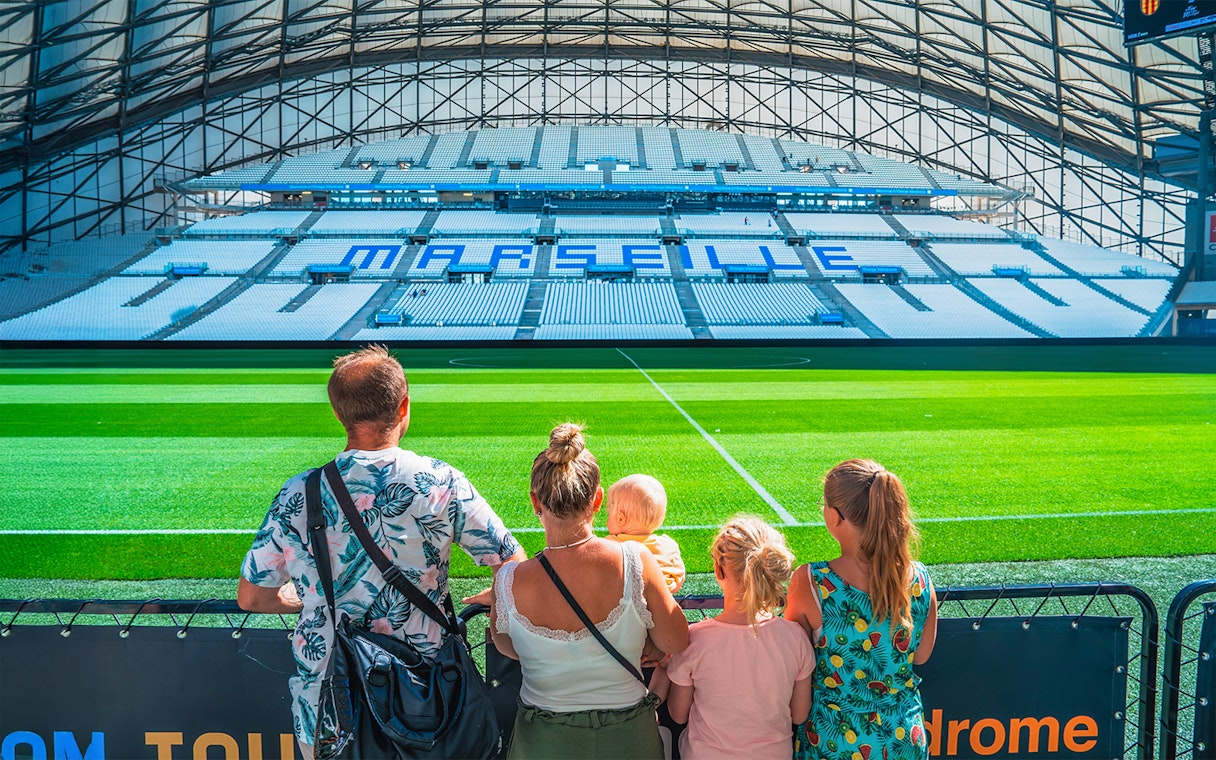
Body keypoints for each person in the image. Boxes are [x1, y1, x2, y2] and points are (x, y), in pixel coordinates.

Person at [237, 345, 526, 759]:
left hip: (330, 705)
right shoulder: (441, 481)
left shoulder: (300, 492)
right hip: (429, 699)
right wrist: (493, 596)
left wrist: (309, 602)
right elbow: (513, 565)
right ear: (404, 406)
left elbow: (252, 596)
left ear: (339, 414)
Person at [489, 423, 690, 759]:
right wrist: (649, 642)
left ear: (535, 503)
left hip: (543, 741)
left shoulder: (508, 580)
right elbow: (676, 640)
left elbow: (508, 646)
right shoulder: (636, 560)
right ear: (597, 499)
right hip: (627, 738)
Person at [784, 459, 938, 760]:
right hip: (903, 738)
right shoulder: (919, 577)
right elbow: (921, 655)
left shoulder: (811, 582)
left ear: (836, 516)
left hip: (834, 741)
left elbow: (791, 660)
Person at [653, 516, 813, 759]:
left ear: (718, 569)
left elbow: (678, 713)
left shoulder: (695, 639)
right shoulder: (795, 638)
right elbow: (800, 714)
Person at [605, 474, 686, 593]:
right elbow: (678, 579)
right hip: (658, 609)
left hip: (619, 607)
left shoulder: (609, 544)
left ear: (620, 519)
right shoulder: (668, 547)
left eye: (608, 513)